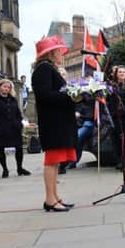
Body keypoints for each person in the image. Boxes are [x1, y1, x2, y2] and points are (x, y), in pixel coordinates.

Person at [31, 35, 76, 212]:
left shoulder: (49, 68)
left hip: (57, 122)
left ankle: (55, 197)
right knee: (51, 161)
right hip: (53, 123)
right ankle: (50, 199)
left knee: (56, 162)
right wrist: (70, 96)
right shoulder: (43, 69)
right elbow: (44, 95)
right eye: (58, 50)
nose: (61, 54)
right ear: (50, 53)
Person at [0, 79, 30, 178]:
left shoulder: (13, 99)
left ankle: (20, 168)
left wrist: (20, 123)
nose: (6, 89)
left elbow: (18, 113)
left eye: (9, 87)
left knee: (19, 148)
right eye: (4, 86)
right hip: (0, 128)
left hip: (14, 128)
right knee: (0, 149)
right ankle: (5, 169)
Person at [67, 90, 95, 169]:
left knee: (78, 136)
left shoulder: (93, 97)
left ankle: (73, 161)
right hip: (79, 122)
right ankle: (69, 160)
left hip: (88, 123)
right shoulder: (78, 99)